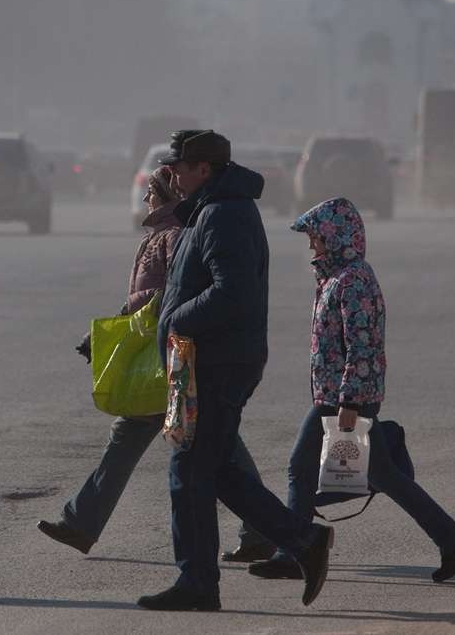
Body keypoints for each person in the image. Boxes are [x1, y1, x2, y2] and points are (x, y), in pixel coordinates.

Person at [137, 130, 334, 612]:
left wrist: (176, 319)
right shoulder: (211, 209)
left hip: (217, 363)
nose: (172, 174)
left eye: (179, 166)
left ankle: (199, 582)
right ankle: (301, 539)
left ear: (205, 168)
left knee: (189, 469)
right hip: (207, 360)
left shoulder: (224, 214)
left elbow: (232, 293)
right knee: (216, 469)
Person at [39, 167, 273, 560]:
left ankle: (262, 530)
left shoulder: (177, 236)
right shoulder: (156, 237)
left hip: (171, 356)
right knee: (197, 443)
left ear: (163, 196)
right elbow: (139, 301)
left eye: (151, 192)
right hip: (156, 354)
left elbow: (170, 295)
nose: (146, 199)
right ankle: (81, 522)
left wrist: (151, 326)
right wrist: (100, 337)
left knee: (218, 445)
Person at [249, 197, 455, 583]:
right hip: (337, 395)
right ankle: (451, 538)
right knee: (386, 477)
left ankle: (295, 551)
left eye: (316, 237)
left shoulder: (353, 281)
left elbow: (363, 344)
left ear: (335, 238)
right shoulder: (336, 278)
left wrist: (350, 401)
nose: (311, 246)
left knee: (299, 468)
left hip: (343, 399)